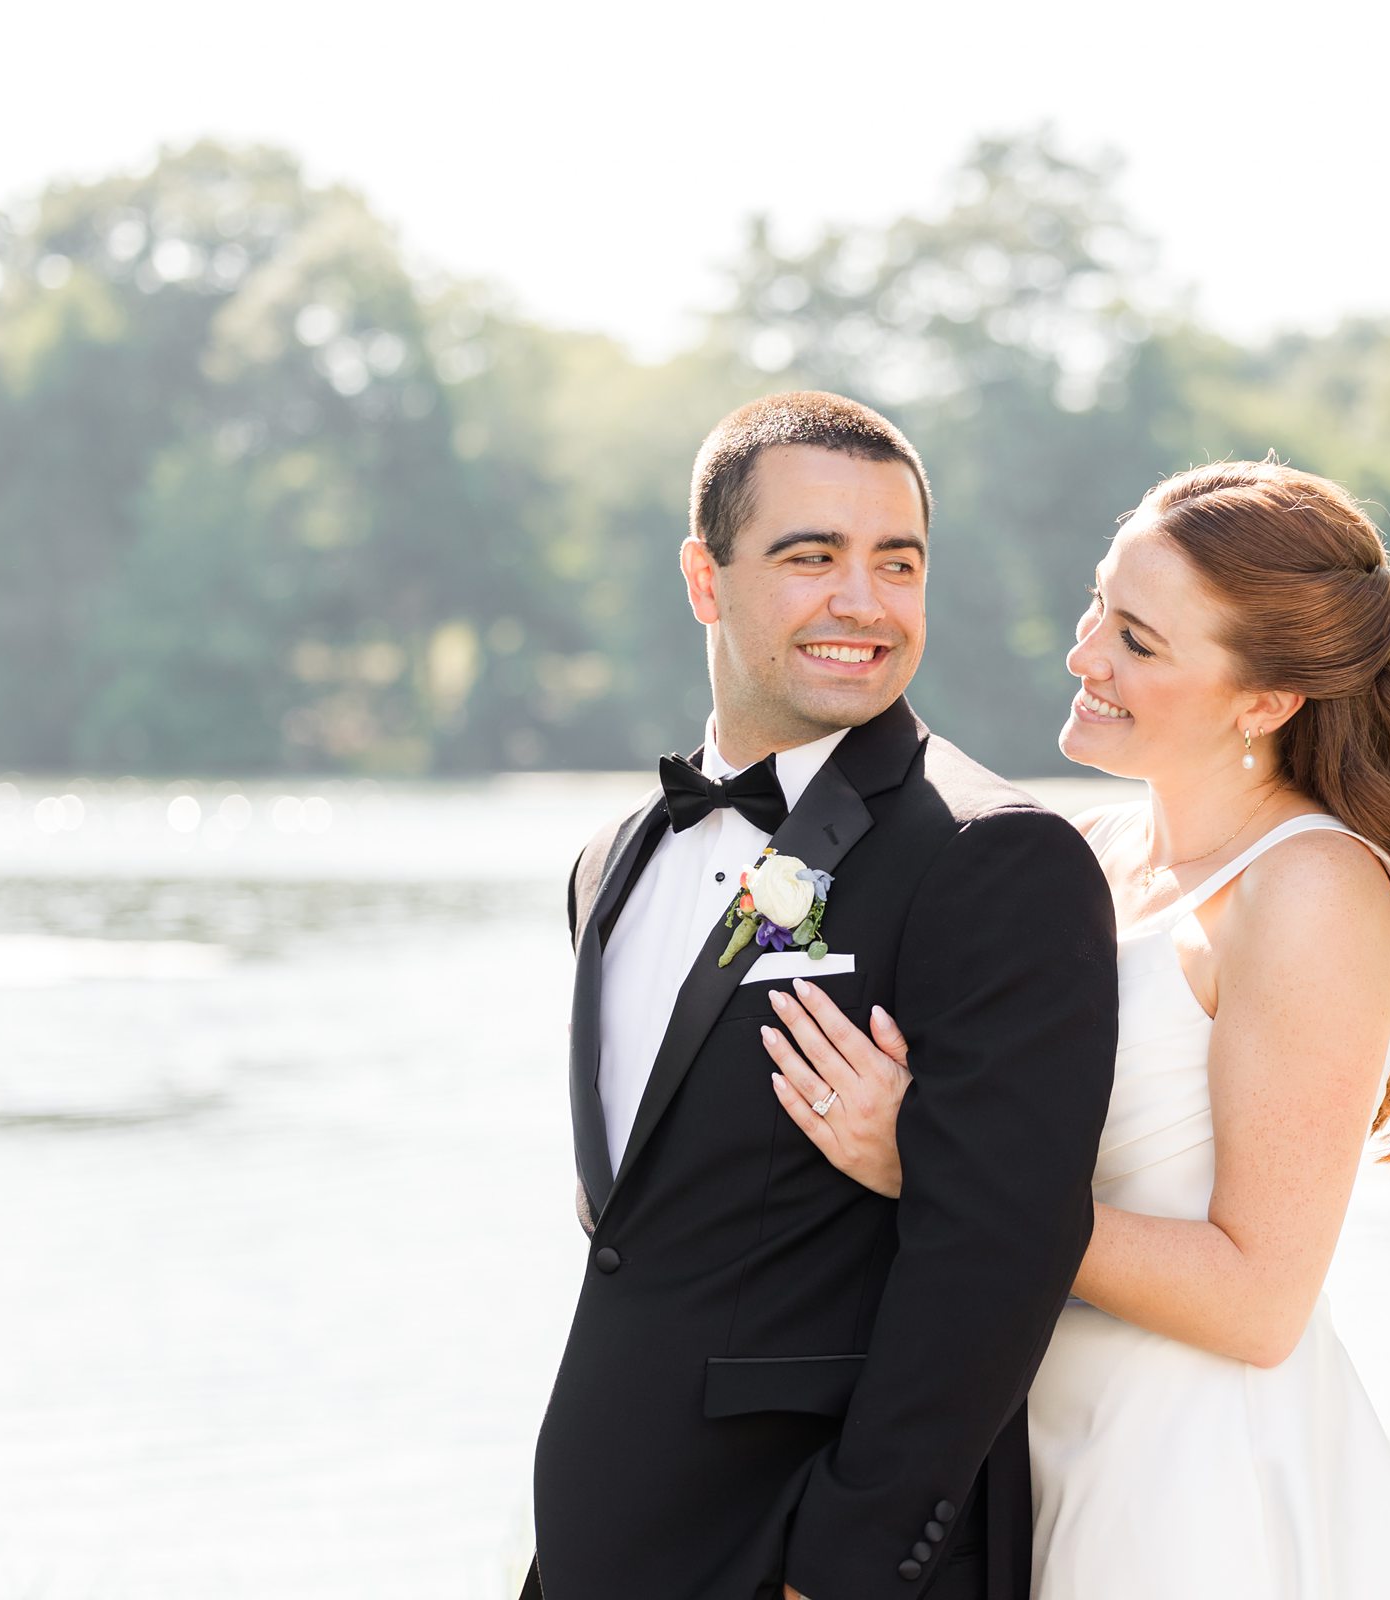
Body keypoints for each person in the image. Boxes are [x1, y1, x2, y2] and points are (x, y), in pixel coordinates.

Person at [763, 459, 1390, 1598]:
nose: (1085, 656)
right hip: (1037, 1444)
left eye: (1139, 642)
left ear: (1263, 701)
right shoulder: (1092, 854)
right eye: (1097, 608)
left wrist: (929, 1161)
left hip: (1193, 1477)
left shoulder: (1310, 891)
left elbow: (1261, 1301)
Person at [523, 392, 1118, 1600]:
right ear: (706, 577)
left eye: (897, 563)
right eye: (813, 557)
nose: (865, 602)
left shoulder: (995, 856)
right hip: (603, 1544)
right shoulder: (612, 861)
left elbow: (998, 1251)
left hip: (811, 1563)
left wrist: (838, 1571)